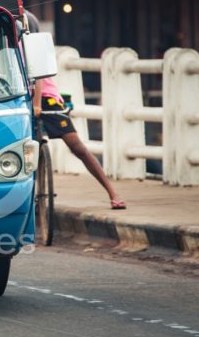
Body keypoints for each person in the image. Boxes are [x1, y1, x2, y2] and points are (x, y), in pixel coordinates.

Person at [27, 11, 126, 210]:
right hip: (22, 98)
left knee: (76, 146)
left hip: (45, 99)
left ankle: (113, 193)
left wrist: (37, 104)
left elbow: (38, 78)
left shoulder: (34, 46)